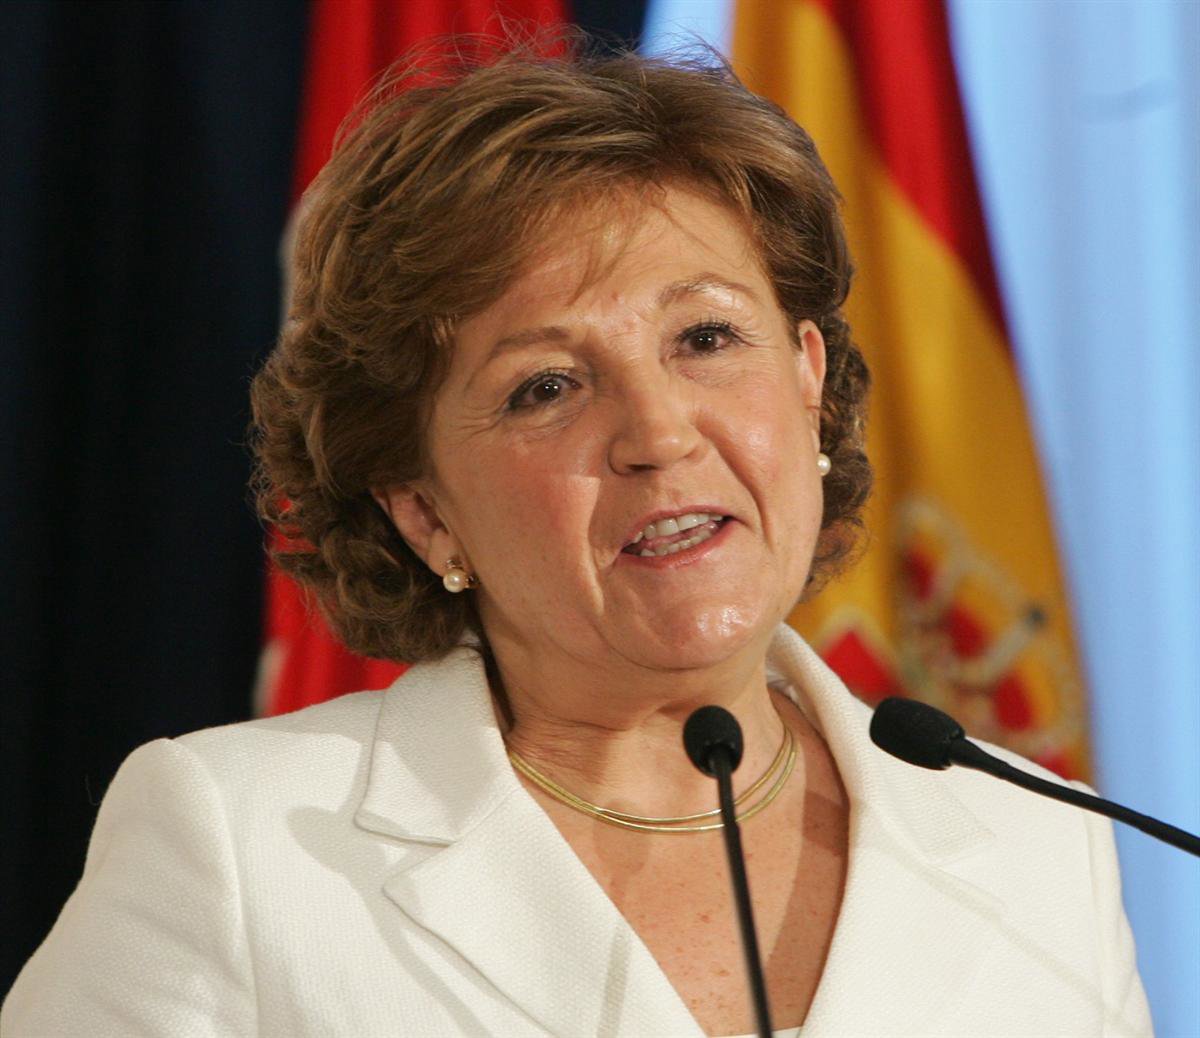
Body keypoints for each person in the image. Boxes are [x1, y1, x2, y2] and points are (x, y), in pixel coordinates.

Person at [2, 38, 1151, 1037]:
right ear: (422, 508)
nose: (659, 433)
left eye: (705, 338)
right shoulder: (242, 849)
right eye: (545, 387)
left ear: (810, 385)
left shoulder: (1036, 845)